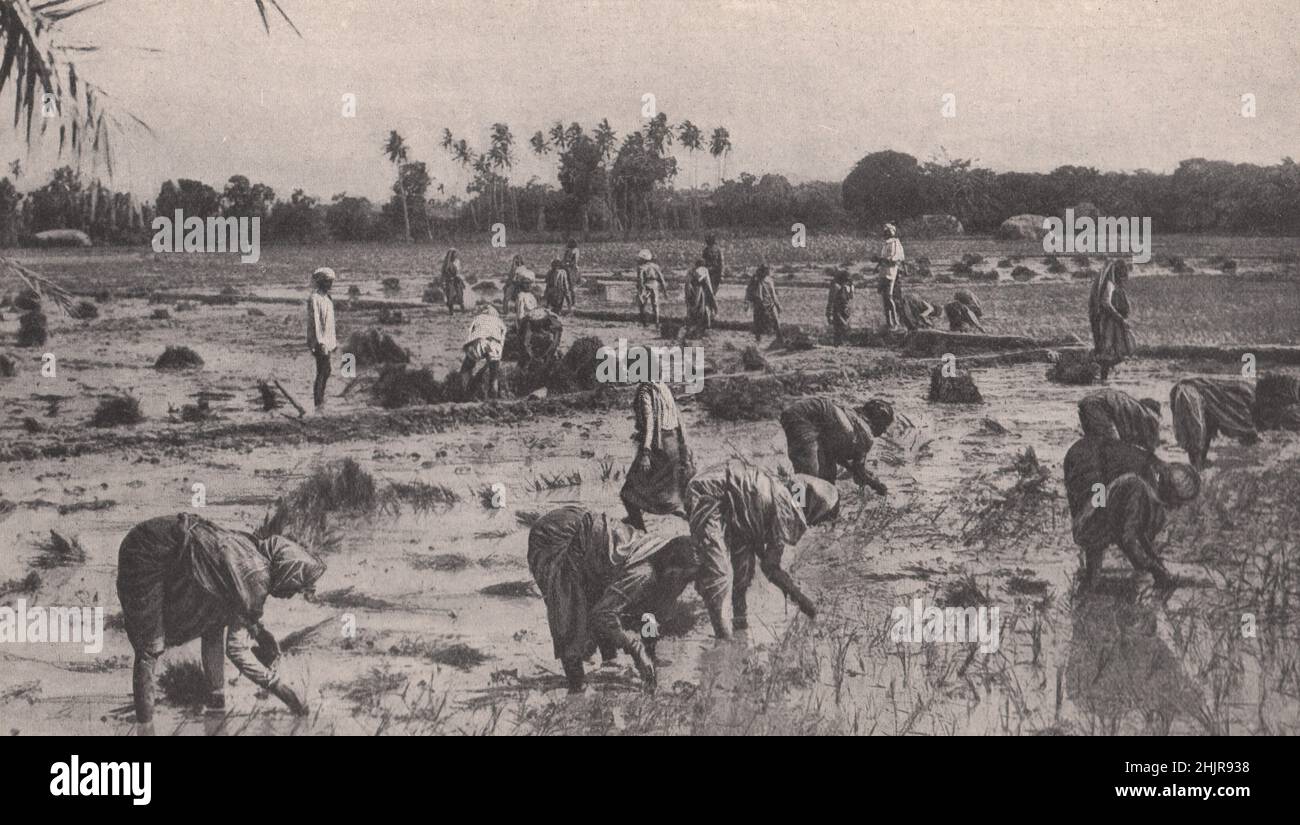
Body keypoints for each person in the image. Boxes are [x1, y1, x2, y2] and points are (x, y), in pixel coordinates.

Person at [116, 513, 326, 726]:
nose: (292, 594)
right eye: (296, 587)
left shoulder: (254, 556)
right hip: (147, 550)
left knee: (214, 620)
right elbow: (236, 650)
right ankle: (145, 726)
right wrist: (282, 690)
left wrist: (259, 632)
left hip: (173, 544)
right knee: (149, 648)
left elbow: (235, 602)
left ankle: (216, 706)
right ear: (288, 572)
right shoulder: (256, 577)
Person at [527, 506, 699, 692]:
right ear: (673, 568)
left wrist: (649, 655)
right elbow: (603, 614)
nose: (684, 584)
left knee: (602, 595)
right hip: (556, 534)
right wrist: (635, 649)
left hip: (588, 537)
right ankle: (576, 688)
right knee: (569, 612)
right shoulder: (643, 573)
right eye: (684, 577)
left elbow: (649, 615)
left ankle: (608, 664)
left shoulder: (658, 548)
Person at [686, 460, 840, 638]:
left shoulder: (786, 492)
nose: (813, 525)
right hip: (708, 493)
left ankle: (739, 625)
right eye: (818, 520)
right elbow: (770, 567)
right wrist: (804, 602)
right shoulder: (785, 508)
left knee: (743, 569)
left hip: (728, 498)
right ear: (813, 508)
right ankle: (724, 643)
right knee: (719, 575)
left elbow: (757, 547)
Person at [1063, 436, 1200, 589]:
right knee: (1097, 524)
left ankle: (1091, 580)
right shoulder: (1139, 487)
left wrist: (1155, 563)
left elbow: (1136, 530)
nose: (1177, 508)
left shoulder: (1154, 476)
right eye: (1178, 502)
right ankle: (1091, 583)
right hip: (1087, 463)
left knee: (1107, 520)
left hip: (1094, 458)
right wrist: (1154, 568)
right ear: (1170, 492)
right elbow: (1129, 538)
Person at [620, 380, 694, 531]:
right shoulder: (663, 387)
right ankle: (692, 523)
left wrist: (646, 453)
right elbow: (679, 420)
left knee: (628, 494)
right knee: (677, 491)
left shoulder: (645, 392)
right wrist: (684, 447)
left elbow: (650, 425)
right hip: (673, 446)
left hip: (658, 448)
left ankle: (641, 533)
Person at [780, 397, 893, 494]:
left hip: (807, 414)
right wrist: (876, 485)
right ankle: (798, 509)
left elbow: (839, 453)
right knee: (806, 477)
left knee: (827, 475)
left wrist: (857, 470)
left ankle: (812, 509)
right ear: (879, 423)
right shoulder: (865, 434)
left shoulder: (851, 417)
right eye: (885, 426)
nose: (884, 431)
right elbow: (859, 473)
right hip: (805, 418)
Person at [1168, 376, 1258, 468]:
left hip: (1194, 393)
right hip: (1191, 393)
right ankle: (1197, 467)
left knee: (1204, 433)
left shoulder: (1245, 397)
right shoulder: (1247, 400)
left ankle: (1198, 465)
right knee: (1198, 438)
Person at [1089, 258, 1136, 380]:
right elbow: (1105, 302)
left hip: (1113, 321)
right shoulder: (1110, 285)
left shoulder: (1112, 284)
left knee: (1112, 351)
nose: (1124, 278)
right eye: (1122, 275)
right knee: (1108, 351)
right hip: (1109, 322)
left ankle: (1104, 377)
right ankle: (1103, 378)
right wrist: (1119, 318)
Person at [1077, 388, 1161, 452]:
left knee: (1094, 444)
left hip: (1088, 403)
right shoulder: (1148, 416)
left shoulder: (1133, 406)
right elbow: (1152, 449)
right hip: (1099, 406)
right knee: (1114, 447)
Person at [306, 266, 337, 412]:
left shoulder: (328, 299)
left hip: (327, 341)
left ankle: (320, 400)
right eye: (327, 281)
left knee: (327, 370)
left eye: (331, 282)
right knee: (322, 370)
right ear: (321, 282)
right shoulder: (315, 298)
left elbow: (330, 324)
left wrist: (332, 342)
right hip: (320, 342)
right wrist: (320, 343)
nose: (330, 284)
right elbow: (316, 323)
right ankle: (318, 403)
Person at [460, 303, 506, 400]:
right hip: (495, 344)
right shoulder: (499, 321)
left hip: (479, 342)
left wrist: (468, 348)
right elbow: (503, 337)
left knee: (465, 368)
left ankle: (466, 395)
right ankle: (494, 399)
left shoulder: (478, 318)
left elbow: (469, 332)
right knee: (494, 375)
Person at [746, 264, 784, 345]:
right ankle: (779, 339)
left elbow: (749, 293)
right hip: (766, 305)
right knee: (775, 323)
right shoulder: (764, 281)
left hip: (762, 305)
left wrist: (778, 305)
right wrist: (778, 306)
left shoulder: (760, 280)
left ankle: (759, 342)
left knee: (759, 325)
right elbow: (770, 296)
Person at [876, 223, 905, 330]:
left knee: (889, 297)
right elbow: (884, 258)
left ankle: (895, 321)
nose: (885, 233)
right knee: (885, 298)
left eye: (886, 231)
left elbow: (893, 259)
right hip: (883, 272)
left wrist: (880, 260)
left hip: (889, 273)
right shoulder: (886, 244)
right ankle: (889, 322)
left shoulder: (895, 244)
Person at [684, 258, 718, 337]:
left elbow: (687, 283)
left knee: (692, 308)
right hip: (700, 290)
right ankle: (701, 329)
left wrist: (687, 294)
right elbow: (708, 283)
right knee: (702, 309)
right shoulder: (704, 270)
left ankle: (691, 328)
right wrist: (711, 296)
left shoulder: (691, 271)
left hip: (692, 291)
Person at [635, 249, 667, 328]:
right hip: (654, 285)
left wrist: (641, 288)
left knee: (642, 304)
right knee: (655, 304)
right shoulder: (655, 266)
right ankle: (657, 322)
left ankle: (644, 322)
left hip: (646, 285)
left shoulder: (641, 268)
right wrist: (664, 289)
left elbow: (640, 279)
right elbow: (661, 277)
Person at [825, 269, 854, 345]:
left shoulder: (845, 287)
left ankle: (839, 344)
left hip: (845, 311)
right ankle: (837, 344)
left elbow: (851, 297)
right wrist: (829, 313)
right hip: (837, 311)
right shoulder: (836, 287)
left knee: (842, 329)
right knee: (839, 329)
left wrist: (851, 288)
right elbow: (830, 300)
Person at [441, 249, 466, 314]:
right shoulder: (446, 263)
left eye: (455, 254)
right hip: (449, 280)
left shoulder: (457, 262)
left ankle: (462, 309)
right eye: (454, 254)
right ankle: (451, 311)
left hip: (456, 279)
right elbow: (444, 272)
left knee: (459, 294)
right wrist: (445, 280)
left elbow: (458, 271)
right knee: (450, 295)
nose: (455, 256)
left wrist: (459, 278)